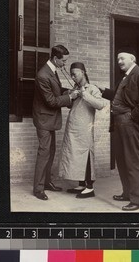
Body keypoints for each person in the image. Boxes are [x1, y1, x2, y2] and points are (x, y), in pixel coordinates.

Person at [99, 48, 139, 211]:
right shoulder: (125, 77)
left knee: (132, 160)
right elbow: (118, 96)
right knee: (122, 160)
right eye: (118, 59)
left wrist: (132, 117)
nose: (119, 62)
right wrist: (101, 91)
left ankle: (138, 200)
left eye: (122, 58)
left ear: (133, 58)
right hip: (118, 124)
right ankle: (127, 193)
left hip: (129, 123)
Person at [32, 45, 79, 200]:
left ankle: (46, 182)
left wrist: (68, 92)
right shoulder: (43, 75)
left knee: (50, 152)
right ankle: (38, 189)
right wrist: (70, 98)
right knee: (44, 153)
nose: (65, 64)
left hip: (49, 118)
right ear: (55, 58)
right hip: (44, 119)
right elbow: (51, 101)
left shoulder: (51, 71)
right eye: (63, 61)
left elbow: (56, 90)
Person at [59, 62, 105, 198]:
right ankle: (81, 184)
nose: (73, 77)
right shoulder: (75, 88)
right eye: (71, 74)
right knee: (75, 156)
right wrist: (71, 95)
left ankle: (90, 187)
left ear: (83, 72)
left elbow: (100, 104)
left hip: (84, 129)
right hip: (73, 128)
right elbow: (71, 106)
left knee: (86, 155)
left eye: (75, 74)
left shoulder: (92, 88)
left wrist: (85, 94)